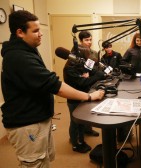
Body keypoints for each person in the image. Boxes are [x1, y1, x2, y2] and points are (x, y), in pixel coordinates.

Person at [1, 10, 105, 167]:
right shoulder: (19, 57)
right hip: (27, 124)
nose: (40, 34)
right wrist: (89, 96)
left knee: (44, 161)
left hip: (38, 118)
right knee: (35, 163)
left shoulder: (27, 50)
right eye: (35, 31)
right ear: (20, 32)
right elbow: (54, 85)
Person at [75, 31, 100, 137]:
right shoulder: (76, 53)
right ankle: (76, 137)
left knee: (89, 108)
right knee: (78, 112)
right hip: (79, 84)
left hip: (90, 83)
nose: (89, 42)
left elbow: (92, 68)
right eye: (86, 40)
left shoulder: (93, 52)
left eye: (90, 39)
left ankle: (88, 129)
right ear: (80, 41)